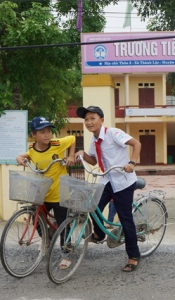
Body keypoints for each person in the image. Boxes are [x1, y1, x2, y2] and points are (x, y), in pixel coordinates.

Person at [74, 105, 142, 272]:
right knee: (93, 207)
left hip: (123, 181)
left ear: (101, 120)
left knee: (125, 218)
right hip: (107, 180)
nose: (89, 122)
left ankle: (133, 256)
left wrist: (132, 162)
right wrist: (82, 153)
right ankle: (99, 233)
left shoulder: (113, 133)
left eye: (92, 118)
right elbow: (94, 161)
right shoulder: (94, 139)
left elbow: (136, 143)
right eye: (86, 119)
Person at [16, 116, 76, 269]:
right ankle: (46, 239)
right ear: (34, 135)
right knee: (36, 218)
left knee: (63, 223)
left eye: (49, 131)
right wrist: (19, 157)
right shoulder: (32, 149)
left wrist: (70, 155)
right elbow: (29, 155)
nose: (47, 135)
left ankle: (66, 254)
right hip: (42, 193)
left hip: (60, 192)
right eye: (42, 132)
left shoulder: (57, 144)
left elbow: (72, 138)